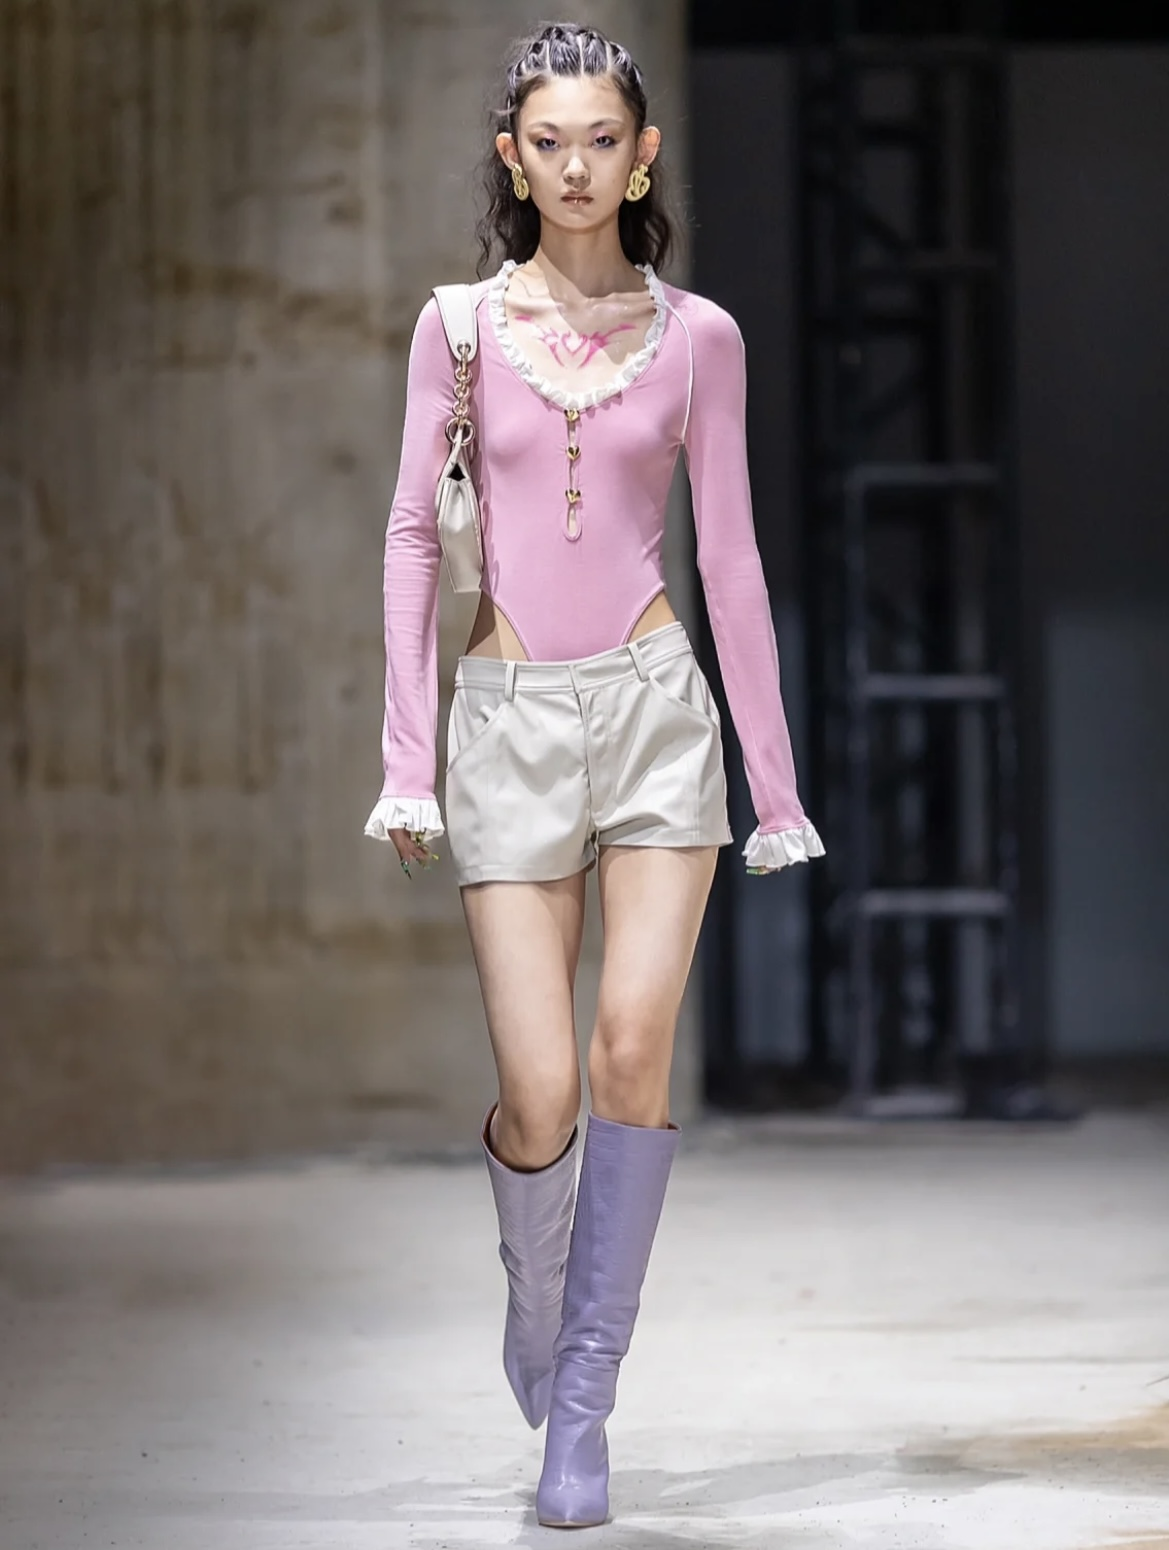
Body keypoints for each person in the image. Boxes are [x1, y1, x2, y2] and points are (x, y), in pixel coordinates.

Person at [364, 20, 823, 1531]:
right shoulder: (458, 329)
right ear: (515, 159)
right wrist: (407, 758)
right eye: (548, 141)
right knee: (541, 1088)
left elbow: (731, 558)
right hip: (503, 719)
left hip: (652, 712)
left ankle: (583, 1400)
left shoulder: (699, 338)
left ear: (642, 156)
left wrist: (773, 782)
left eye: (602, 140)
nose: (576, 166)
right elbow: (413, 536)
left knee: (630, 1051)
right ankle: (538, 1285)